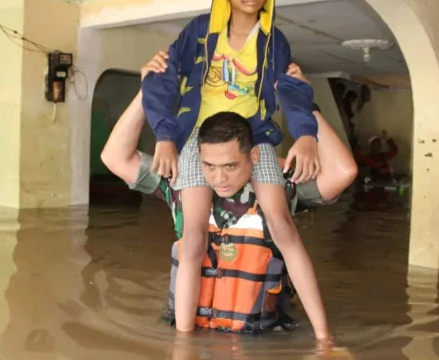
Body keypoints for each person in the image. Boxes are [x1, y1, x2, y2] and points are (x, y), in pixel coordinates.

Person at [101, 65, 357, 346]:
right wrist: (147, 91)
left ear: (253, 157)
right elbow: (115, 157)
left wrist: (305, 102)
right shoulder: (182, 187)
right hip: (190, 336)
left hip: (260, 343)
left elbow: (343, 172)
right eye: (210, 166)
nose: (219, 178)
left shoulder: (278, 191)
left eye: (231, 166)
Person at [140, 0, 322, 335]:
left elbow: (290, 89)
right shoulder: (200, 31)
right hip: (199, 137)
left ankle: (324, 337)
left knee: (283, 226)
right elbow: (161, 77)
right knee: (192, 237)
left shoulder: (275, 42)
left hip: (252, 137)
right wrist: (165, 137)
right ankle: (184, 340)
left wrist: (306, 136)